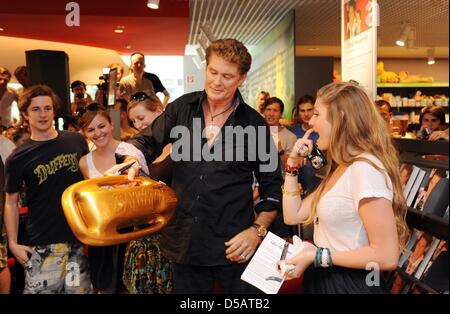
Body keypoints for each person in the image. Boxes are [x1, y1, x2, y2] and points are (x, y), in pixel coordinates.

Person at [108, 38, 283, 294]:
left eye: (227, 76)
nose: (217, 82)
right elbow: (147, 140)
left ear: (241, 78)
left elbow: (272, 187)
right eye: (212, 72)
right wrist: (133, 159)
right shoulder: (181, 108)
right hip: (186, 244)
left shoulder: (255, 125)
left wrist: (256, 231)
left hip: (235, 246)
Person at [280, 81, 408, 293]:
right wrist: (293, 163)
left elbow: (386, 256)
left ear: (340, 119)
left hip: (350, 284)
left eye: (317, 114)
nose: (311, 121)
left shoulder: (364, 170)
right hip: (328, 277)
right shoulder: (342, 167)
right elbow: (293, 215)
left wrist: (317, 255)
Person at [3, 85, 92, 294]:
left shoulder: (76, 141)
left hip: (77, 241)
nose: (43, 114)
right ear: (25, 114)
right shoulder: (18, 157)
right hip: (42, 245)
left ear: (54, 111)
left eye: (47, 108)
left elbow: (89, 182)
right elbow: (10, 201)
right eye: (36, 109)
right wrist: (13, 244)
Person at [77, 104, 148, 294]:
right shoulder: (85, 162)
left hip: (132, 234)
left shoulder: (129, 152)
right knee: (104, 286)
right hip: (102, 236)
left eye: (101, 126)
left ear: (111, 125)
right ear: (84, 133)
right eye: (90, 129)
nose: (98, 133)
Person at [122, 92, 173, 294]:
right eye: (134, 121)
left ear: (160, 111)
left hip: (171, 237)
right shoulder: (137, 150)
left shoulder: (183, 146)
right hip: (142, 238)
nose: (138, 125)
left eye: (141, 118)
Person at [289, 95, 320, 193]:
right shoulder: (293, 131)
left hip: (319, 181)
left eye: (309, 109)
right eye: (302, 111)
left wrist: (308, 155)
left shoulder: (322, 130)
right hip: (297, 183)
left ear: (315, 110)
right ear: (298, 112)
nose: (306, 114)